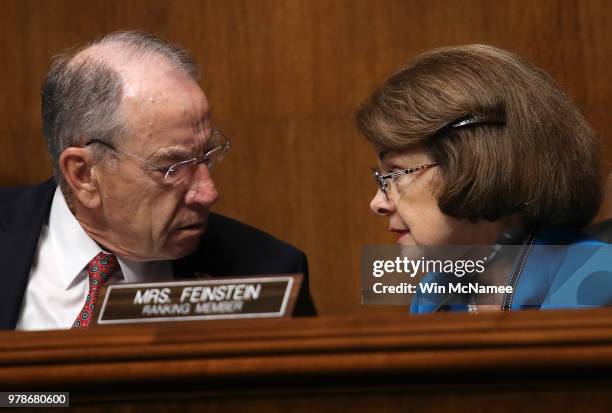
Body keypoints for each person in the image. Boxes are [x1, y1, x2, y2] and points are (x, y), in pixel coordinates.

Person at [0, 31, 316, 330]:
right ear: (83, 174)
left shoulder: (267, 271)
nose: (208, 193)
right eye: (172, 167)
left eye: (207, 156)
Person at [356, 44, 612, 313]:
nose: (377, 203)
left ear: (474, 163)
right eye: (381, 178)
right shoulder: (433, 292)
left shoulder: (598, 278)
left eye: (395, 173)